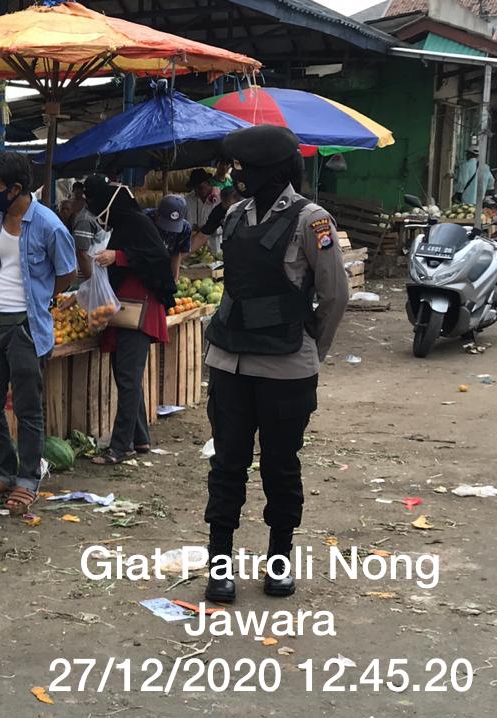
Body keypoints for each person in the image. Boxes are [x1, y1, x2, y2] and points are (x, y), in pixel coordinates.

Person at [203, 125, 349, 604]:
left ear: (269, 169)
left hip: (286, 367)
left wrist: (311, 352)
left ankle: (279, 561)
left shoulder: (313, 221)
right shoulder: (234, 215)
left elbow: (333, 295)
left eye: (243, 168)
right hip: (229, 360)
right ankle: (219, 563)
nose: (236, 175)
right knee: (227, 464)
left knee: (281, 467)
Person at [0, 152, 76, 515]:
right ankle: (4, 471)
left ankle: (28, 480)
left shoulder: (49, 225)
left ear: (16, 189)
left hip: (26, 327)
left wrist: (42, 298)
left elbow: (68, 273)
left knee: (28, 408)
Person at [83, 176, 176, 466]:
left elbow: (157, 257)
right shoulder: (124, 226)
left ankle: (120, 447)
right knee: (125, 375)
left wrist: (118, 256)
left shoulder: (137, 223)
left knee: (128, 376)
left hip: (139, 312)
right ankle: (140, 437)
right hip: (124, 311)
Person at [55, 180, 96, 282]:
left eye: (67, 209)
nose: (64, 212)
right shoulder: (57, 220)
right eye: (62, 209)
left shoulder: (81, 218)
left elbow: (81, 253)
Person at [144, 194, 192, 280]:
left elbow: (176, 253)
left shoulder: (185, 228)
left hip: (164, 265)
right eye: (166, 223)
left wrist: (174, 279)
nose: (168, 230)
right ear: (158, 214)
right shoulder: (144, 220)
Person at [185, 168, 221, 232]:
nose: (196, 191)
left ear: (208, 183)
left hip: (214, 240)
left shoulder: (220, 199)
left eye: (200, 188)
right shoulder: (187, 200)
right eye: (194, 188)